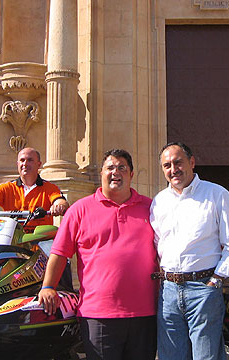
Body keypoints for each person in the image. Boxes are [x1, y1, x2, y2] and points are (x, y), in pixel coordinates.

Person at [38, 149, 158, 360]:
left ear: (131, 174)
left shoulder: (152, 208)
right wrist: (48, 287)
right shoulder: (79, 210)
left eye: (122, 168)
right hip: (99, 314)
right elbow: (59, 253)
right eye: (110, 167)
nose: (115, 172)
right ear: (101, 173)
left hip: (146, 312)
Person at [150, 142, 229, 360]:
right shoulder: (159, 202)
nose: (173, 169)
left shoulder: (217, 194)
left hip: (203, 290)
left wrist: (216, 280)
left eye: (178, 162)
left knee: (206, 357)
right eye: (167, 165)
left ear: (192, 162)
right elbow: (157, 244)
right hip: (169, 292)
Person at [0, 147, 69, 232]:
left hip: (40, 241)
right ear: (17, 164)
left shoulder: (49, 188)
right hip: (12, 239)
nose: (25, 164)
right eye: (22, 160)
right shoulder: (6, 188)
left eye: (30, 160)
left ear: (39, 164)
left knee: (55, 251)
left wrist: (59, 206)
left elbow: (60, 200)